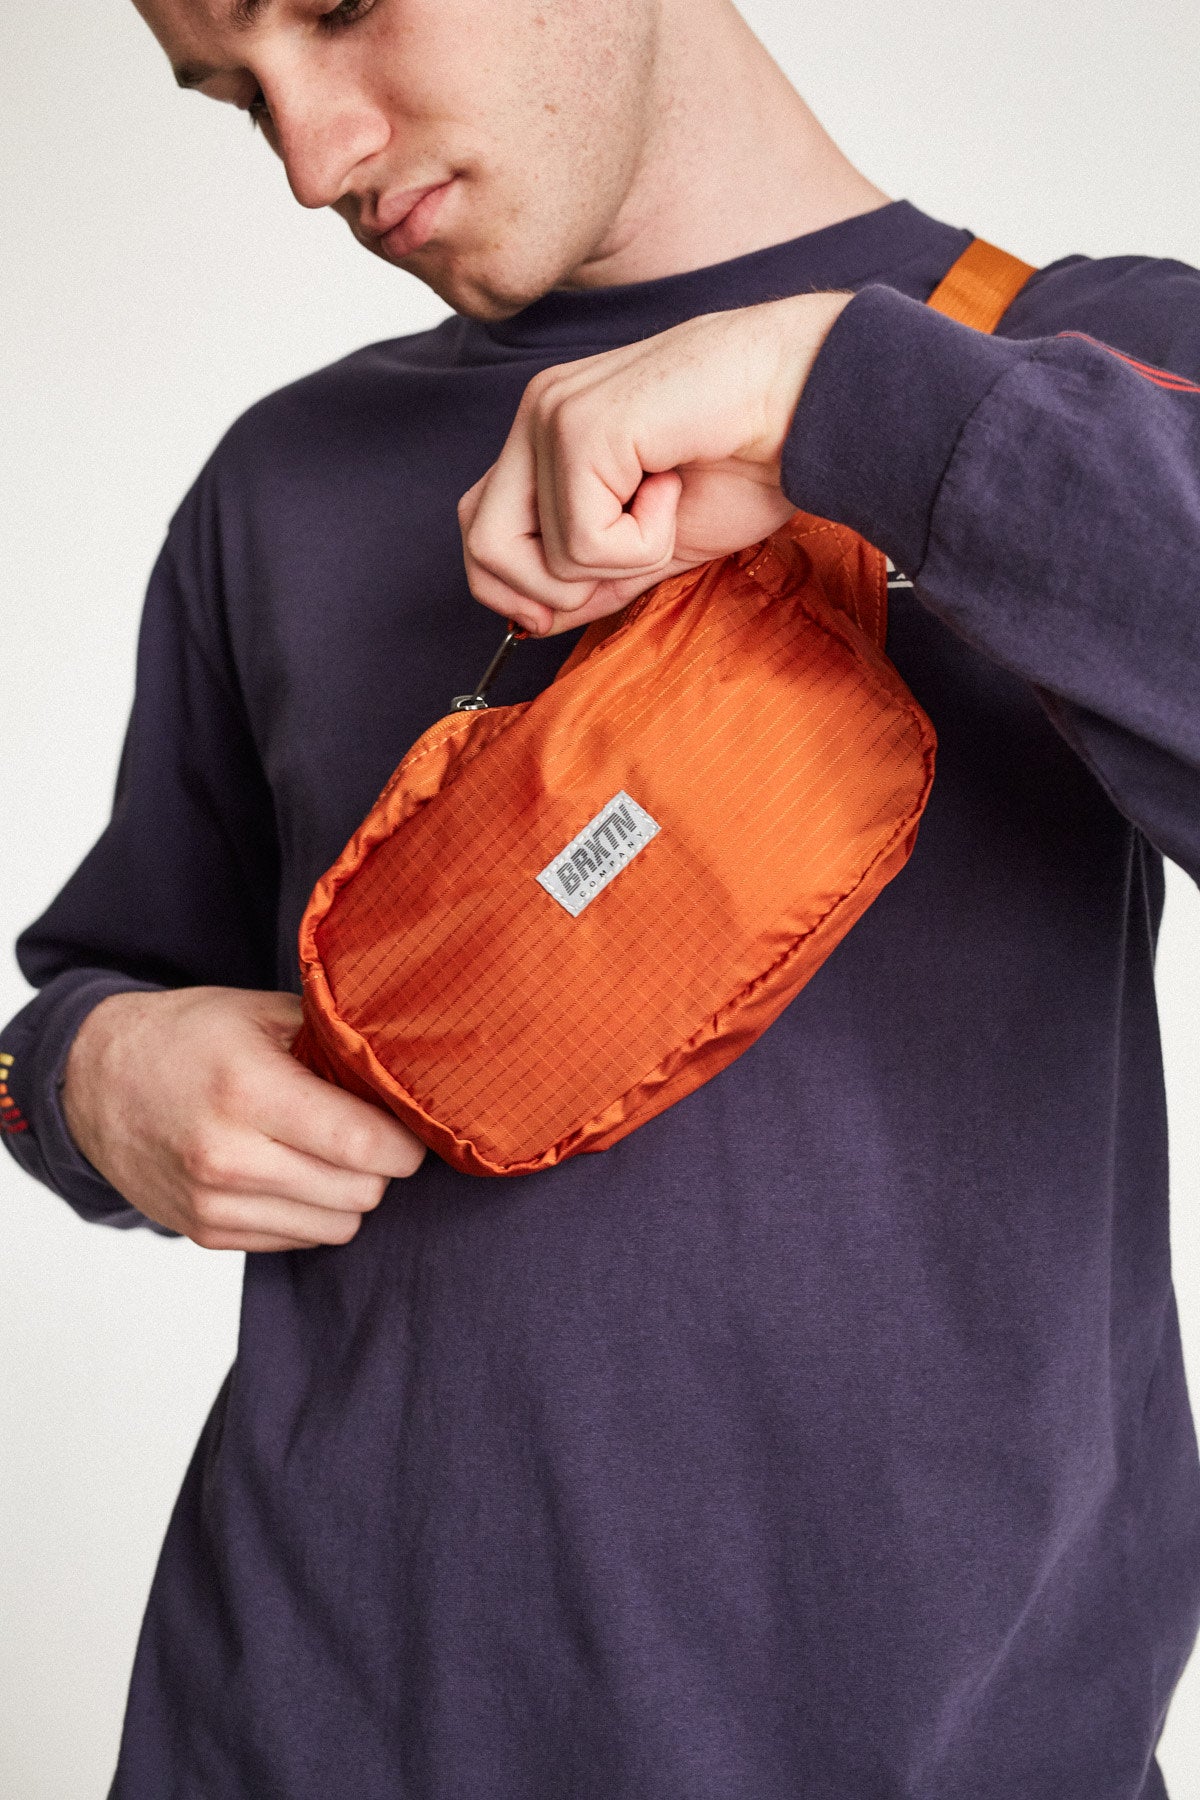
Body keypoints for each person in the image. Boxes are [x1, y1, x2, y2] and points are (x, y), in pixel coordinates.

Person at [3, 0, 1199, 1792]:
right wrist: (87, 1075)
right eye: (237, 96)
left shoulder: (1098, 366)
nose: (313, 159)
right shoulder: (275, 483)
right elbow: (67, 1020)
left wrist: (840, 401)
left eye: (340, 7)